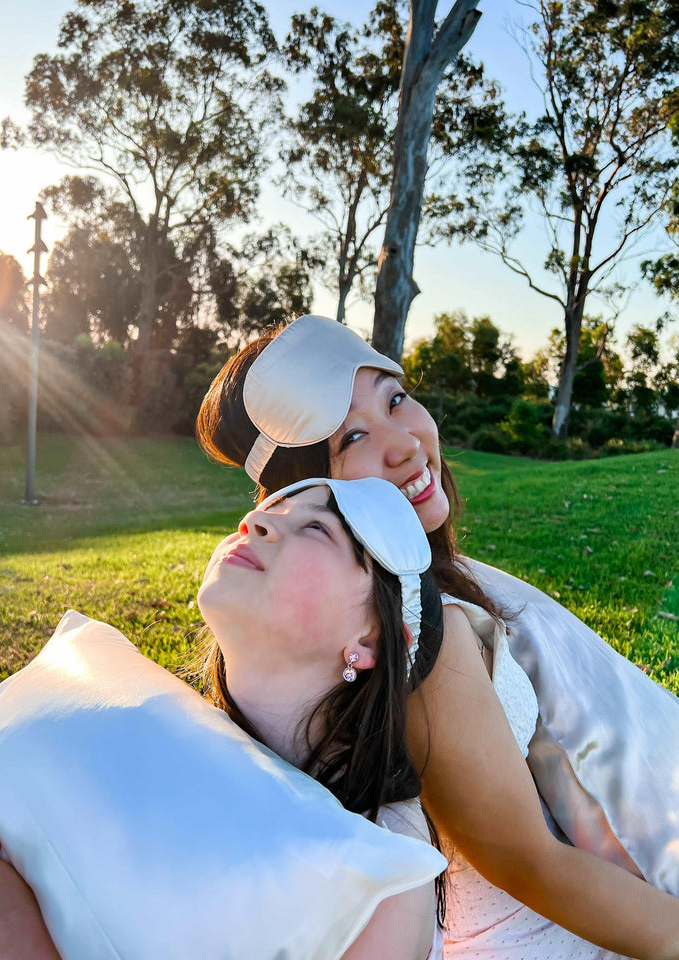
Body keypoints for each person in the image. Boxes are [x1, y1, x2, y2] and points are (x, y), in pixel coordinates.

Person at [194, 314, 679, 958]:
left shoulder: (425, 581)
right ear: (309, 490)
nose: (407, 443)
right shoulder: (412, 638)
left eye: (395, 398)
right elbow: (532, 865)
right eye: (355, 437)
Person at [0, 476, 446, 960]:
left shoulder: (386, 881)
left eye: (318, 528)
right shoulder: (142, 724)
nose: (254, 520)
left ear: (371, 641)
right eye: (273, 508)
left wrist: (13, 937)